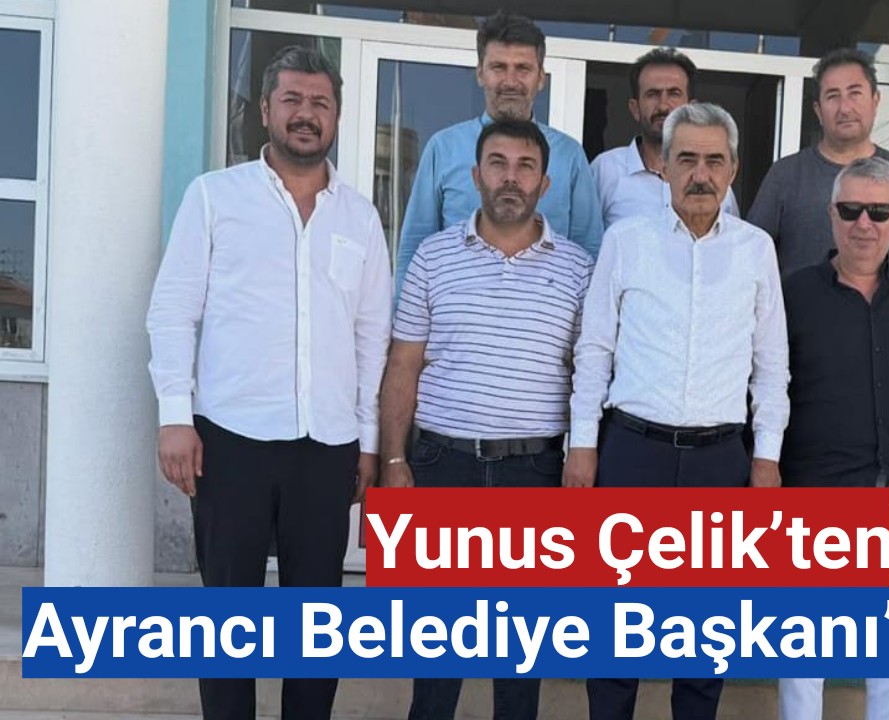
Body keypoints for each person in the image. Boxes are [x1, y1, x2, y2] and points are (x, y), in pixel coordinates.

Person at [146, 46, 391, 720]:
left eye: (320, 103)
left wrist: (368, 442)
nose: (306, 114)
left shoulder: (360, 217)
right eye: (293, 100)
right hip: (230, 441)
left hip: (328, 446)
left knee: (317, 626)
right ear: (264, 110)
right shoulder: (214, 197)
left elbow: (372, 335)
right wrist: (175, 416)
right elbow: (173, 311)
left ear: (336, 115)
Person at [564, 101, 789, 720]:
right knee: (616, 636)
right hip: (632, 453)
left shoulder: (756, 250)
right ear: (663, 165)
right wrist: (582, 444)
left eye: (714, 160)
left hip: (721, 461)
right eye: (687, 158)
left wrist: (766, 459)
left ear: (734, 169)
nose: (700, 174)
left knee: (706, 642)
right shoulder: (626, 241)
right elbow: (595, 347)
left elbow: (772, 364)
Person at [380, 118, 592, 720]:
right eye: (498, 164)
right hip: (440, 466)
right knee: (435, 655)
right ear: (475, 176)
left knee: (521, 659)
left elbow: (587, 373)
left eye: (526, 166)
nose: (511, 178)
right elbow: (403, 364)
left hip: (535, 472)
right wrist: (393, 459)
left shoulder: (578, 269)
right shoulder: (433, 257)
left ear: (546, 183)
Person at [777, 156, 889, 720]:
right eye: (851, 209)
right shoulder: (794, 294)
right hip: (811, 501)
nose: (863, 224)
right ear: (831, 214)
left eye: (878, 212)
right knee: (803, 658)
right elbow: (769, 392)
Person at [395, 11, 603, 292]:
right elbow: (414, 247)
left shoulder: (569, 156)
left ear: (541, 78)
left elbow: (590, 252)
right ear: (480, 73)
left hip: (544, 316)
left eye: (523, 68)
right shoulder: (443, 149)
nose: (510, 81)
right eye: (498, 67)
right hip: (458, 314)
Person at [748, 48, 889, 278]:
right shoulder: (785, 174)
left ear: (875, 100)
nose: (845, 108)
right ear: (818, 110)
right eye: (833, 96)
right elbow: (752, 260)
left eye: (855, 93)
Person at [591, 47, 738, 228]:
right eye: (652, 94)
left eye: (674, 94)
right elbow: (588, 240)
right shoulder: (606, 170)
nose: (663, 106)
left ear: (692, 108)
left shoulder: (713, 181)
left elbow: (730, 239)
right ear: (635, 109)